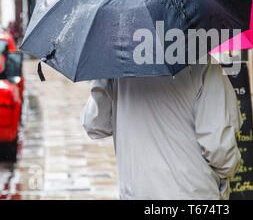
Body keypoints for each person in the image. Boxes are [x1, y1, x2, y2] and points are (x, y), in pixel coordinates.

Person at [81, 62, 242, 200]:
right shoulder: (204, 64)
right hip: (193, 192)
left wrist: (103, 73)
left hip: (136, 191)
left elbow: (95, 124)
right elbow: (219, 148)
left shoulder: (115, 64)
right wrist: (226, 173)